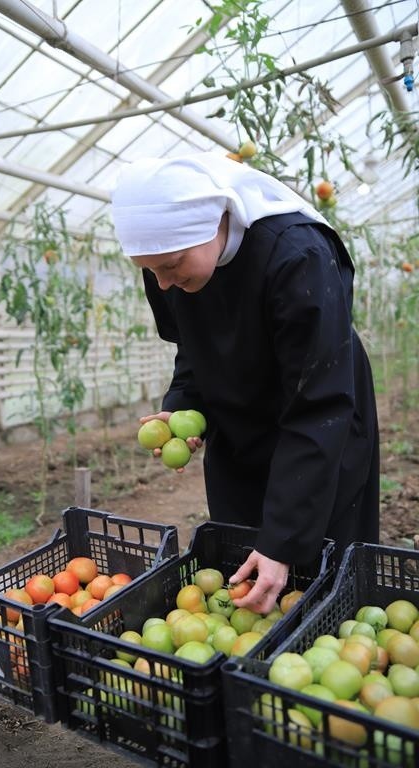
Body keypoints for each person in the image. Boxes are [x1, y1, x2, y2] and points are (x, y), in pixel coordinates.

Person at [110, 152, 379, 615]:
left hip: (319, 411)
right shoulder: (172, 265)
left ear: (214, 222)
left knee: (324, 554)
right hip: (240, 421)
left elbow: (318, 406)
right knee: (241, 545)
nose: (163, 283)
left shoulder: (297, 256)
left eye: (171, 265)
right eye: (150, 270)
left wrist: (283, 539)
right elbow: (192, 350)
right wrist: (180, 404)